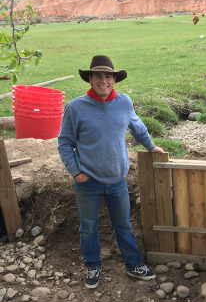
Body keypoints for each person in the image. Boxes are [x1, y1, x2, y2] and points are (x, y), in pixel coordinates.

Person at [58, 55, 164, 289]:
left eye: (108, 76)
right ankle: (93, 266)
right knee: (89, 227)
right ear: (90, 79)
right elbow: (65, 142)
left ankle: (133, 264)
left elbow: (138, 129)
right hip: (88, 182)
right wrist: (76, 172)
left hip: (117, 181)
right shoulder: (76, 108)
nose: (103, 81)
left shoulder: (124, 102)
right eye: (98, 76)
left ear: (114, 79)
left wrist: (151, 147)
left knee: (123, 225)